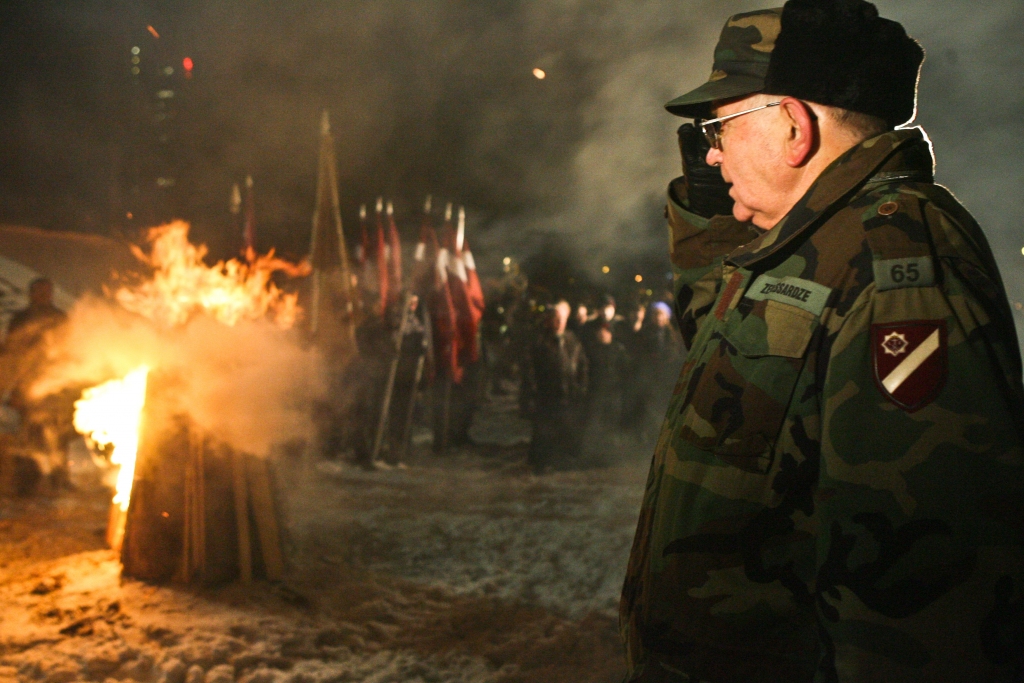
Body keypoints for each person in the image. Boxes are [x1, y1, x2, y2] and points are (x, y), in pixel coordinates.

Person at [620, 3, 1024, 682]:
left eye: (718, 127)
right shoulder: (822, 240)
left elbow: (926, 606)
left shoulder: (900, 268)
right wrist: (705, 212)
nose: (711, 150)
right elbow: (731, 357)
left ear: (792, 126)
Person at [523, 300, 588, 472]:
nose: (560, 322)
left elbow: (582, 364)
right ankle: (541, 463)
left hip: (568, 393)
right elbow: (530, 369)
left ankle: (563, 461)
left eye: (563, 318)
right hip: (547, 394)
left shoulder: (572, 340)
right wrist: (532, 392)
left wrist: (580, 386)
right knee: (545, 430)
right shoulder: (540, 341)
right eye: (556, 318)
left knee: (565, 428)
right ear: (549, 320)